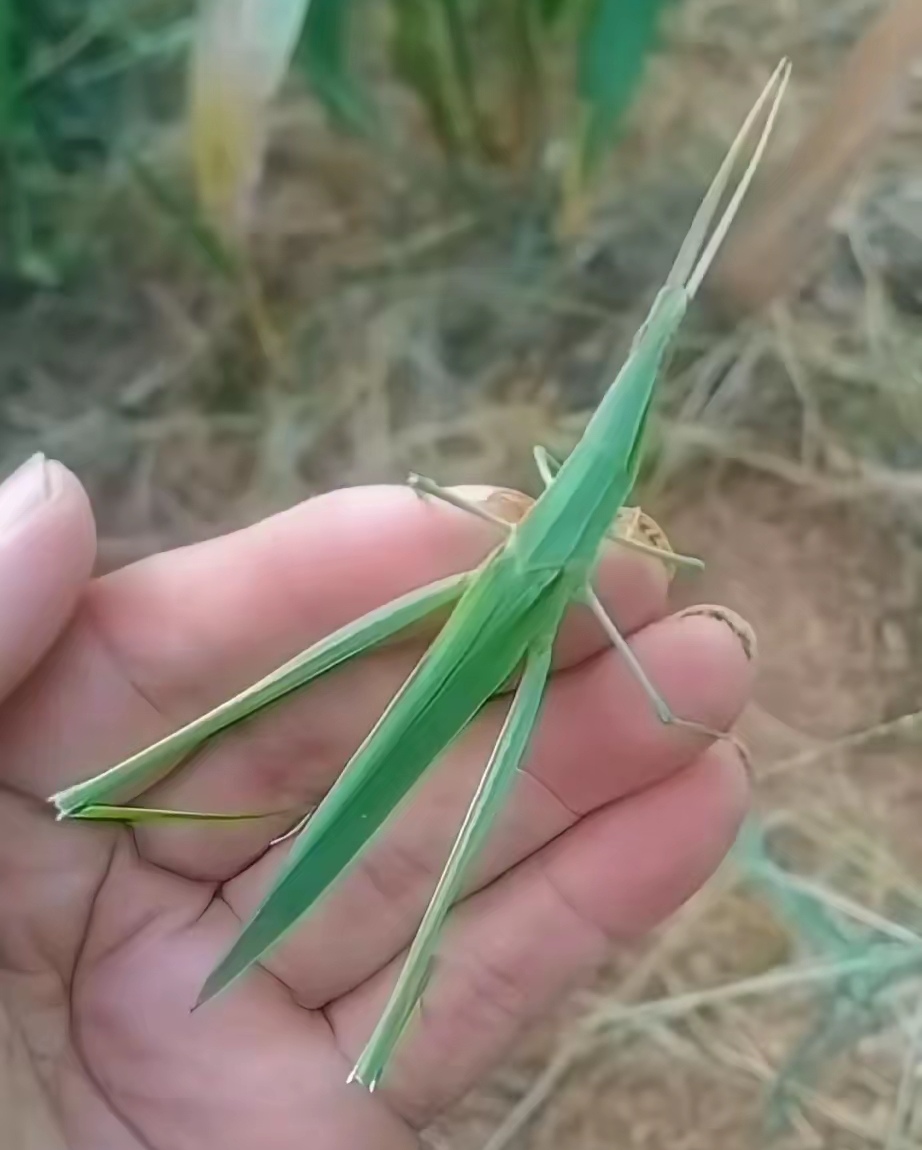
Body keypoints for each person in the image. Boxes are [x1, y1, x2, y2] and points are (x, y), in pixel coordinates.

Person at [0, 453, 755, 1149]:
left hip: (524, 621)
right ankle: (91, 798)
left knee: (481, 818)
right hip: (486, 594)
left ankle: (379, 1041)